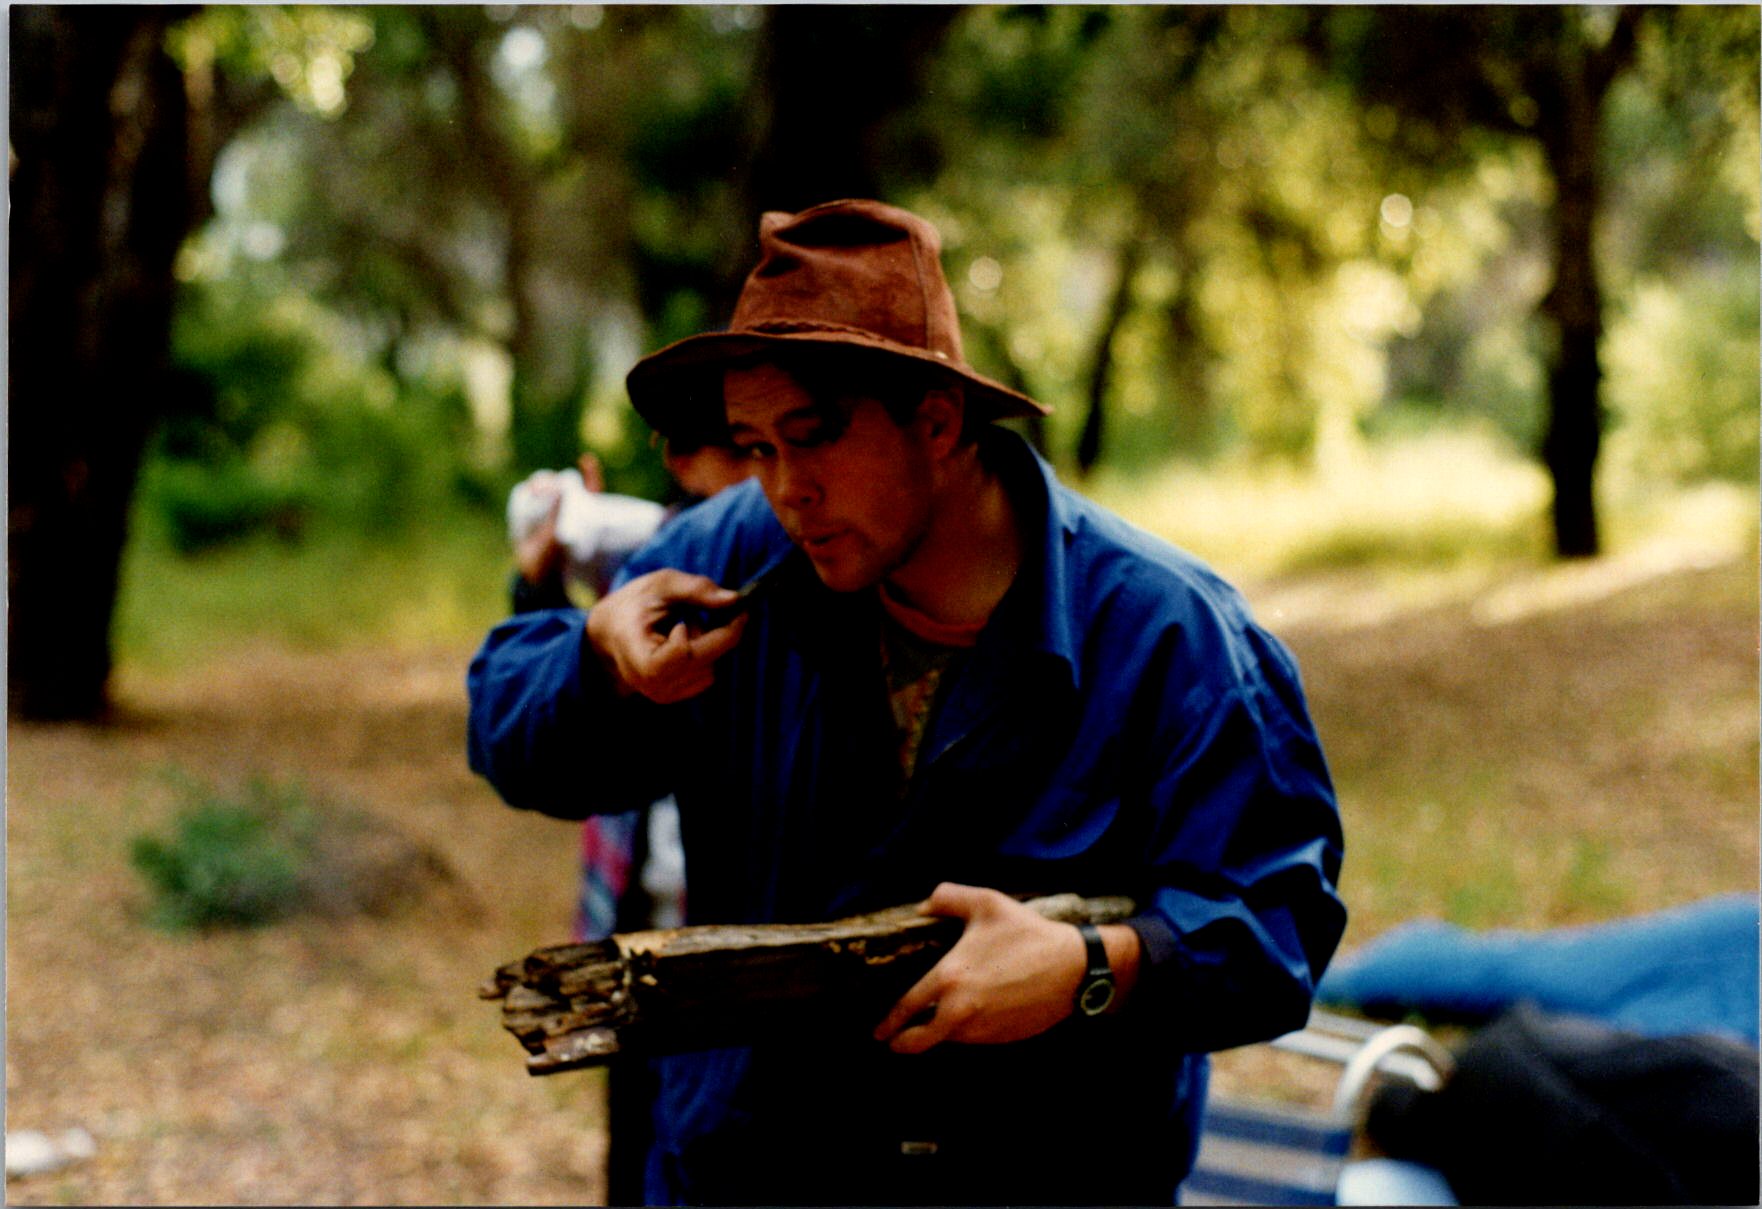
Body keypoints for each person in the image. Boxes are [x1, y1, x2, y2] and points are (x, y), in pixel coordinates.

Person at [468, 198, 1346, 1205]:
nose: (785, 489)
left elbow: (1274, 934)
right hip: (749, 1175)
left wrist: (1089, 967)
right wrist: (597, 662)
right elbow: (507, 732)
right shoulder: (730, 557)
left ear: (936, 421)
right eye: (755, 446)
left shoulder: (1169, 635)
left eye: (814, 436)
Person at [502, 440, 749, 1205]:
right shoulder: (662, 556)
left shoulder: (804, 568)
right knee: (639, 1141)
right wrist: (541, 578)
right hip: (643, 928)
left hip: (739, 953)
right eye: (748, 445)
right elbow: (556, 704)